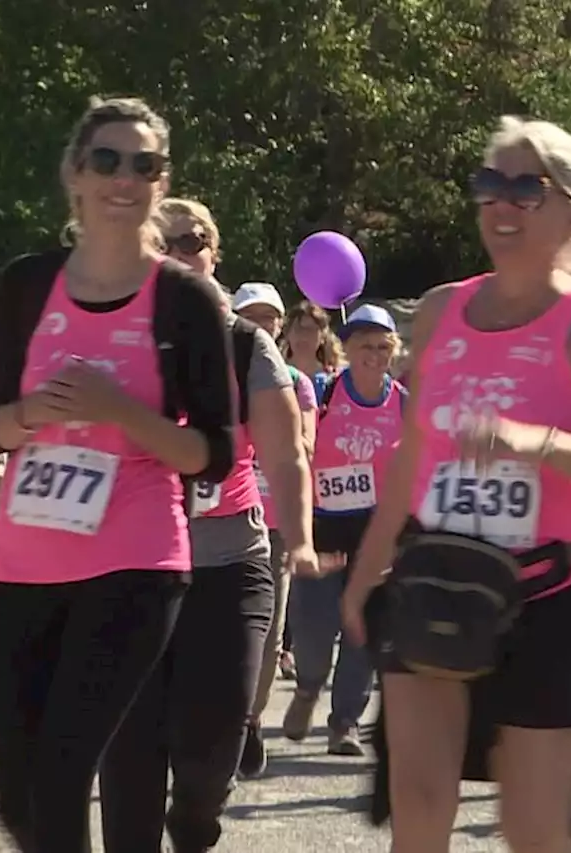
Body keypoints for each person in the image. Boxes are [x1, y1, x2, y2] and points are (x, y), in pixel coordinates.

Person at [341, 116, 571, 853]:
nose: (500, 204)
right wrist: (365, 569)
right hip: (437, 579)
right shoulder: (443, 309)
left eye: (523, 188)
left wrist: (533, 443)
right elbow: (415, 452)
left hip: (548, 597)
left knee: (535, 832)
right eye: (489, 185)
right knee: (417, 806)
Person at [0, 96, 235, 852]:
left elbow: (211, 451)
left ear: (161, 182)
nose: (126, 178)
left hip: (136, 560)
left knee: (61, 771)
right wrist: (35, 411)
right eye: (108, 161)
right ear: (75, 176)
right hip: (26, 561)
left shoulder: (184, 301)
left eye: (144, 165)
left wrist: (121, 410)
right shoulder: (28, 283)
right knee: (23, 801)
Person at [99, 198, 317, 852]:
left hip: (229, 562)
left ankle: (195, 821)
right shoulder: (116, 340)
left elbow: (285, 453)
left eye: (196, 239)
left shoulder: (246, 346)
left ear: (214, 255)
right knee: (131, 745)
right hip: (130, 565)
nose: (183, 249)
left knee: (213, 736)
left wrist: (301, 537)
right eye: (167, 241)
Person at [284, 303, 405, 757]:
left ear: (393, 349)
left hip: (376, 535)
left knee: (363, 633)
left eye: (382, 346)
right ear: (346, 348)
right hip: (323, 528)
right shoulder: (323, 390)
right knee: (313, 632)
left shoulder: (403, 402)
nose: (373, 354)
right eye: (363, 345)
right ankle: (307, 688)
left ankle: (344, 723)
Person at [229, 280, 319, 777]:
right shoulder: (213, 369)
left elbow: (303, 442)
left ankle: (249, 719)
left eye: (270, 318)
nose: (262, 326)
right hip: (217, 518)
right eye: (253, 317)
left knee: (265, 633)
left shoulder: (296, 382)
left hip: (274, 523)